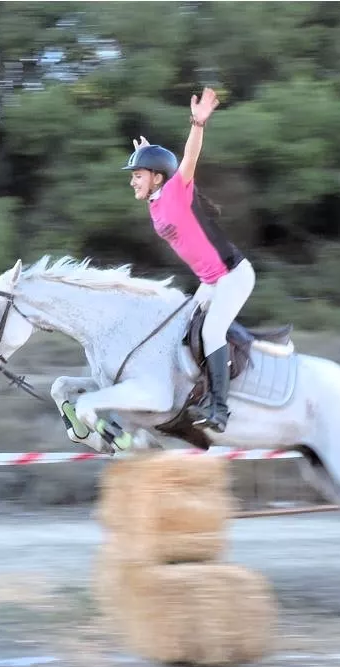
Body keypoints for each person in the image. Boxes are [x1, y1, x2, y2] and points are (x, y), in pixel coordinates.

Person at [122, 86, 254, 434]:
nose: (132, 182)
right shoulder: (155, 202)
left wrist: (197, 124)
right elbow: (157, 178)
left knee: (211, 332)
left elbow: (189, 157)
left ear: (157, 177)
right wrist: (145, 157)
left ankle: (220, 410)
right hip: (210, 282)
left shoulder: (176, 190)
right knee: (181, 329)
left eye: (137, 176)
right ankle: (194, 392)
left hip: (233, 276)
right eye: (134, 176)